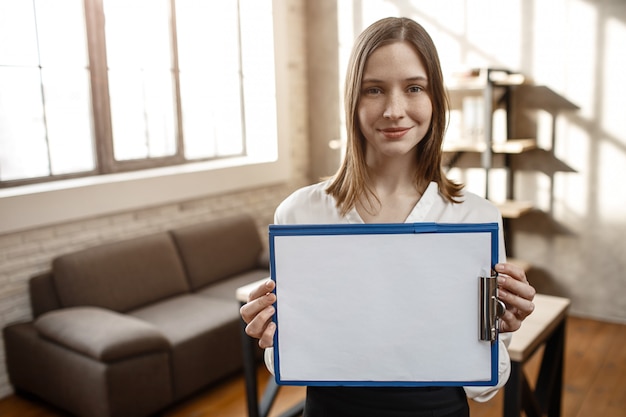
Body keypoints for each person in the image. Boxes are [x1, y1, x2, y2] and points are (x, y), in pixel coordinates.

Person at [240, 16, 536, 417]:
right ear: (352, 102)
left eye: (414, 88)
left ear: (435, 99)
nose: (395, 110)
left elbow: (484, 386)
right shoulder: (300, 213)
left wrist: (494, 332)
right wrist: (274, 337)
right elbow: (288, 365)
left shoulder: (476, 216)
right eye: (374, 90)